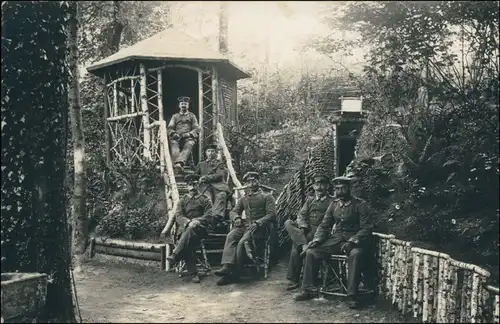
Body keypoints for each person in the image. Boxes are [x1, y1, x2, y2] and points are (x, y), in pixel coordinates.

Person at [294, 176, 373, 309]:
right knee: (311, 252)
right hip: (335, 241)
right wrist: (317, 240)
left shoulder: (360, 205)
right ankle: (307, 289)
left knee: (355, 255)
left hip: (352, 241)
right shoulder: (334, 205)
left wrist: (354, 240)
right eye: (337, 189)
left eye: (343, 188)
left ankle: (352, 295)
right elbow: (324, 226)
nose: (340, 191)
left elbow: (367, 227)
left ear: (349, 189)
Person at [213, 171, 276, 286]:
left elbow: (271, 214)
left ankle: (234, 275)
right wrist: (236, 217)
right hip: (246, 225)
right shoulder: (244, 198)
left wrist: (258, 223)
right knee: (231, 235)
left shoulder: (267, 196)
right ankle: (227, 266)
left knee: (242, 242)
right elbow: (233, 211)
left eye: (254, 180)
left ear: (258, 181)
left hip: (260, 228)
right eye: (249, 181)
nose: (251, 184)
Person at [283, 175, 334, 291]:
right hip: (307, 230)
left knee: (296, 248)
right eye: (317, 185)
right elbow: (301, 216)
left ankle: (302, 246)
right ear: (313, 186)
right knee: (288, 223)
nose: (319, 188)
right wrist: (303, 226)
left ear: (327, 186)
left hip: (322, 233)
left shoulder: (331, 201)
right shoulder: (310, 201)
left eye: (322, 185)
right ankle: (294, 279)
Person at [166, 174, 213, 283]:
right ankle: (194, 274)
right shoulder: (182, 201)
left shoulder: (205, 200)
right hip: (185, 229)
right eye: (190, 184)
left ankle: (175, 255)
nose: (192, 187)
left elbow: (209, 215)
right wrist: (188, 222)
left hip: (200, 229)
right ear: (187, 186)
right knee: (189, 240)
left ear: (198, 185)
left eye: (195, 184)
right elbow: (179, 216)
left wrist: (197, 221)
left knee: (190, 233)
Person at [195, 144, 231, 225]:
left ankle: (216, 218)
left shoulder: (219, 164)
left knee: (221, 195)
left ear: (216, 153)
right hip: (205, 187)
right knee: (207, 199)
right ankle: (207, 219)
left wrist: (206, 178)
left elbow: (220, 175)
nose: (210, 153)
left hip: (219, 186)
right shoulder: (201, 164)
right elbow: (196, 176)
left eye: (212, 151)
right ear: (205, 153)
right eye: (208, 151)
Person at [167, 96, 200, 171]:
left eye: (185, 104)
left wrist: (189, 134)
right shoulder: (175, 116)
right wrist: (174, 134)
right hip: (177, 137)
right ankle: (177, 166)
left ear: (188, 106)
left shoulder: (192, 116)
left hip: (188, 138)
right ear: (179, 106)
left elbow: (197, 128)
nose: (183, 105)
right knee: (174, 144)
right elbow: (170, 128)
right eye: (182, 104)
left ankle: (179, 163)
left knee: (189, 145)